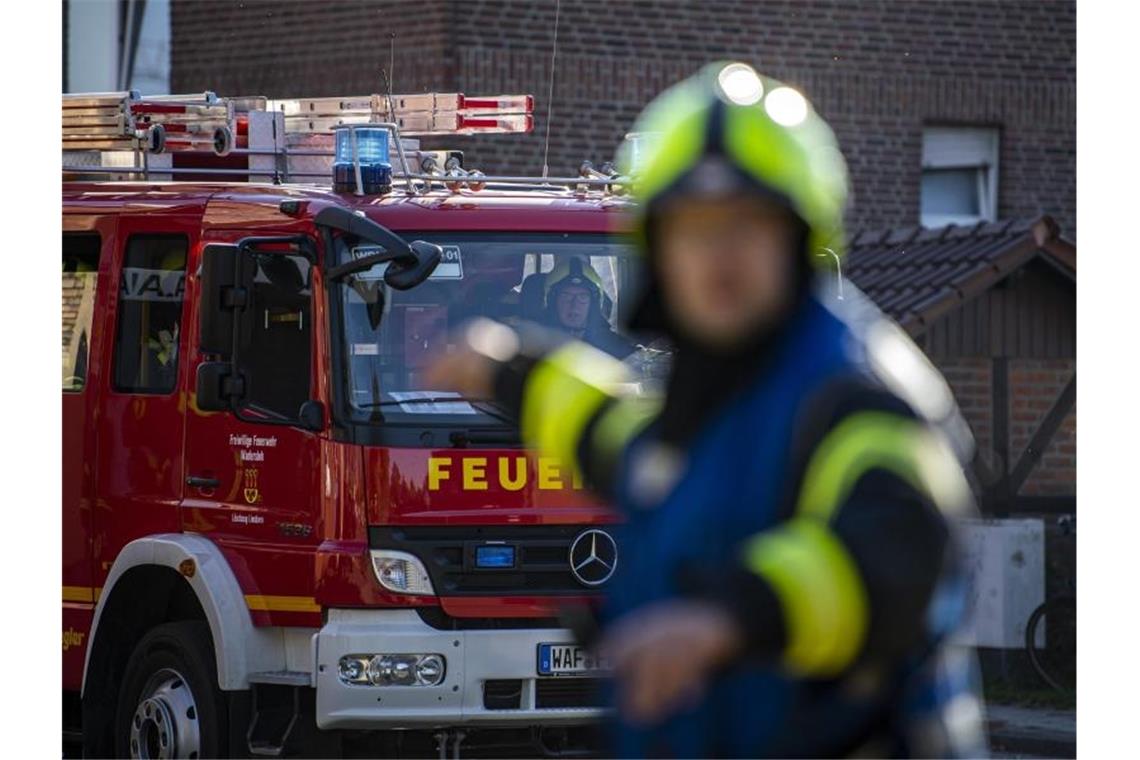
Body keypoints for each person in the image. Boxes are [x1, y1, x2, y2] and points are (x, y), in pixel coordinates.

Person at [426, 62, 985, 758]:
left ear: (797, 237)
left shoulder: (858, 393)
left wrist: (731, 617)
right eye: (693, 229)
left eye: (746, 224)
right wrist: (509, 372)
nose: (718, 256)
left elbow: (898, 545)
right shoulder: (717, 396)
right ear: (658, 250)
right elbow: (625, 443)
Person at [543, 257, 637, 358]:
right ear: (552, 302)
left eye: (583, 297)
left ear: (593, 304)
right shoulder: (532, 346)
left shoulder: (619, 349)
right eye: (566, 296)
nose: (574, 305)